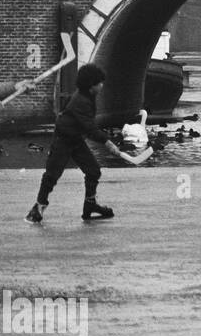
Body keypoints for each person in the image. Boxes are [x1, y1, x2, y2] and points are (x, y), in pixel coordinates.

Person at [26, 63, 127, 223]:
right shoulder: (80, 101)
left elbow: (88, 126)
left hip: (76, 139)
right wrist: (108, 143)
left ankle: (90, 205)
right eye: (99, 83)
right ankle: (38, 207)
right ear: (91, 85)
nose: (102, 85)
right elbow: (90, 129)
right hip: (63, 140)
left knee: (93, 171)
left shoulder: (88, 96)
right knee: (52, 175)